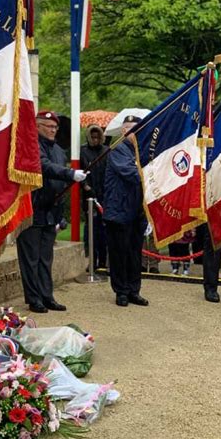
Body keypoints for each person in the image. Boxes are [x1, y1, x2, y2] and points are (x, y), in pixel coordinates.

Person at [16, 110, 87, 313]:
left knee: (46, 257)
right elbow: (43, 166)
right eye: (49, 126)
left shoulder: (58, 150)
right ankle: (33, 298)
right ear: (37, 126)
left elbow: (57, 179)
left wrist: (60, 212)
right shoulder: (30, 145)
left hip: (50, 210)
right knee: (31, 258)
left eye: (55, 127)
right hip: (32, 208)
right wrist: (70, 173)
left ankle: (47, 296)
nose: (53, 130)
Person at [103, 115, 149, 307]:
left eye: (139, 129)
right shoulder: (118, 149)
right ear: (124, 131)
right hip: (119, 211)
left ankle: (133, 290)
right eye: (132, 129)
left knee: (134, 253)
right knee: (119, 253)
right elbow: (132, 174)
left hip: (136, 211)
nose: (136, 133)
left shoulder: (142, 151)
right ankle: (121, 291)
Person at [80, 124, 109, 274]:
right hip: (89, 197)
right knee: (91, 231)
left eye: (98, 137)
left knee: (103, 230)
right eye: (93, 137)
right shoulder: (83, 151)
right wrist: (85, 186)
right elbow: (79, 171)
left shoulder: (106, 151)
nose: (96, 139)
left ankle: (103, 261)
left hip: (104, 196)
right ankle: (92, 260)